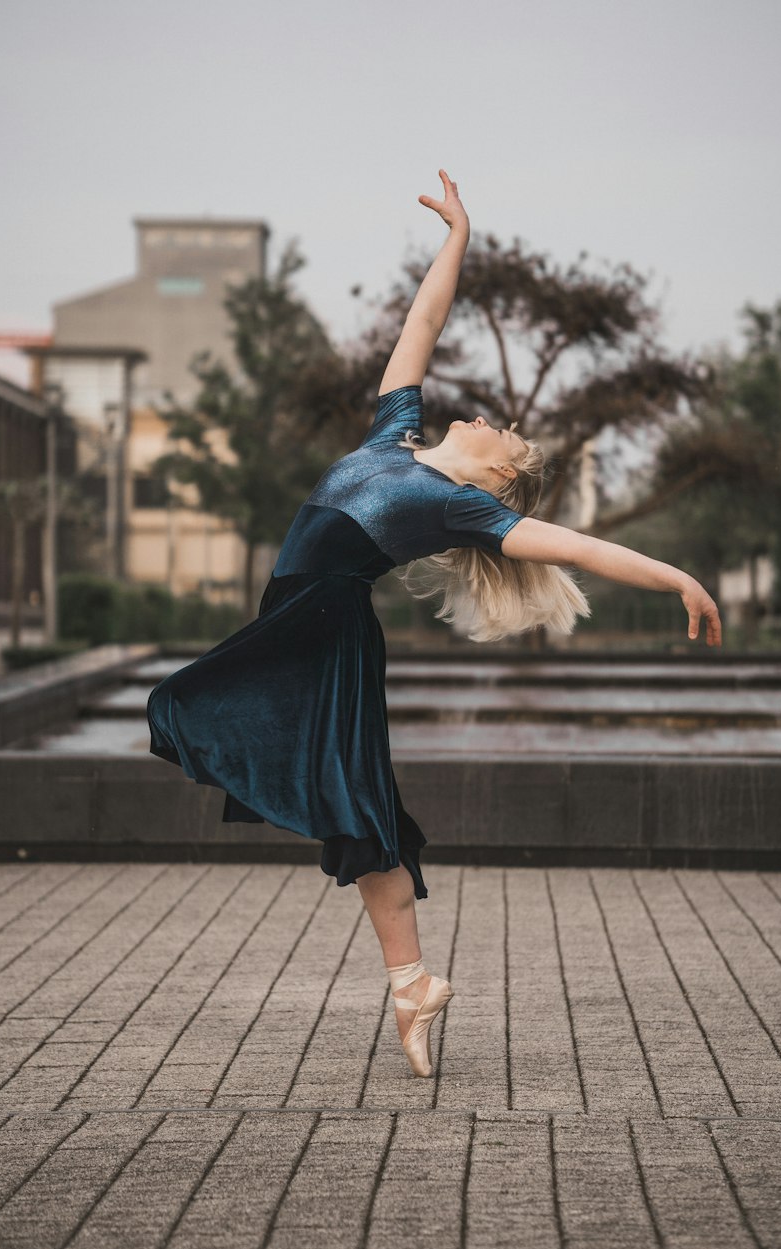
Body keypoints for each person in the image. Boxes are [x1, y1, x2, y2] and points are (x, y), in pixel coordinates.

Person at [146, 170, 722, 1080]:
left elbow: (575, 547)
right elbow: (422, 324)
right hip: (299, 621)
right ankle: (411, 985)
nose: (491, 416)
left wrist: (676, 575)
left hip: (323, 633)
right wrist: (459, 235)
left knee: (241, 742)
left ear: (495, 477)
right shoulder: (394, 437)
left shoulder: (461, 507)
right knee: (351, 808)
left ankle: (411, 981)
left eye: (505, 434)